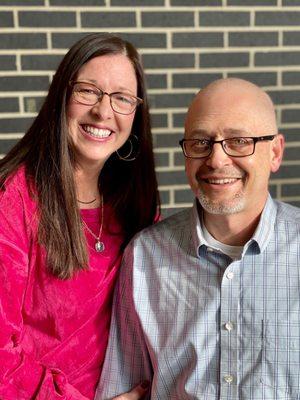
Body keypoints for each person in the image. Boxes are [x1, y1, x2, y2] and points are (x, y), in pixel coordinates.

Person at [96, 77, 300, 400]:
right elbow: (122, 388)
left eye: (239, 141)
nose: (217, 160)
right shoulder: (145, 257)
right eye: (201, 143)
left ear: (274, 153)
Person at [0, 33, 159, 400]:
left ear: (135, 114)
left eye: (121, 98)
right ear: (62, 96)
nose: (104, 112)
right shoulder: (15, 199)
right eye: (88, 90)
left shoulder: (134, 203)